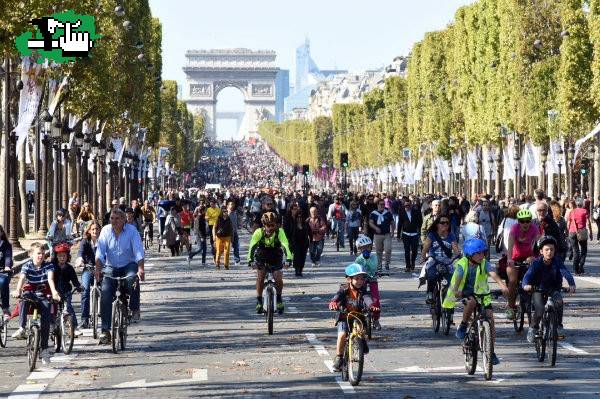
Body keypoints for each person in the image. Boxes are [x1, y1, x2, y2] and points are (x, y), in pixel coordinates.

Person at [442, 238, 508, 366]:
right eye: (478, 253)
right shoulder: (463, 263)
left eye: (483, 252)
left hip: (482, 294)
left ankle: (491, 350)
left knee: (490, 319)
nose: (481, 255)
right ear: (470, 254)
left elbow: (493, 273)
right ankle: (463, 324)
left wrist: (502, 285)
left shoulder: (484, 263)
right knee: (471, 303)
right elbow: (459, 277)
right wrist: (456, 290)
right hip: (465, 292)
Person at [95, 209, 145, 344]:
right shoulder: (105, 231)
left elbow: (138, 251)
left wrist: (140, 268)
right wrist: (98, 269)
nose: (114, 221)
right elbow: (100, 253)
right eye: (112, 218)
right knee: (105, 291)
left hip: (128, 264)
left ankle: (134, 309)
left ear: (124, 220)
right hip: (111, 266)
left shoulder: (132, 231)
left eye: (117, 218)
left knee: (131, 279)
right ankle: (105, 330)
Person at [11, 243, 61, 365]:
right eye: (38, 253)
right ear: (31, 254)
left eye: (43, 253)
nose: (41, 256)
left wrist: (54, 292)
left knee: (45, 321)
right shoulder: (27, 265)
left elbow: (50, 279)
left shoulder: (48, 265)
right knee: (24, 297)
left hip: (44, 295)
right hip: (31, 294)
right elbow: (22, 279)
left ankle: (44, 349)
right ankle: (22, 328)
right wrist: (18, 290)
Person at [523, 236, 576, 342]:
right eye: (546, 249)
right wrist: (526, 285)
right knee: (540, 309)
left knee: (559, 301)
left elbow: (565, 272)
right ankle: (533, 328)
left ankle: (559, 326)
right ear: (541, 251)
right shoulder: (536, 263)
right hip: (538, 289)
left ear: (555, 250)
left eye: (552, 249)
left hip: (553, 288)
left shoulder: (557, 261)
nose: (549, 252)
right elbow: (527, 276)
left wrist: (571, 284)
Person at [328, 263, 378, 372]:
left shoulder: (363, 290)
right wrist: (333, 303)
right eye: (357, 279)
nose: (360, 281)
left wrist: (371, 306)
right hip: (344, 316)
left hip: (358, 315)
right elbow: (336, 297)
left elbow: (367, 298)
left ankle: (361, 342)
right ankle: (339, 358)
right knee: (342, 335)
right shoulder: (344, 289)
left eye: (362, 279)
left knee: (361, 330)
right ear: (349, 279)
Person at [247, 212, 292, 314]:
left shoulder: (280, 231)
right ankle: (259, 301)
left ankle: (279, 299)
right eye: (268, 225)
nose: (271, 228)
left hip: (276, 255)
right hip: (262, 256)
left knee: (278, 277)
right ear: (264, 225)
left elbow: (285, 245)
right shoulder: (258, 232)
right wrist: (250, 260)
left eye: (273, 225)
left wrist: (289, 259)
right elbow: (252, 247)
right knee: (261, 277)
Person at [505, 209, 540, 320]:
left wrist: (535, 257)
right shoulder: (514, 228)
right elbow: (509, 244)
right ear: (518, 221)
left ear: (531, 221)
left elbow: (539, 244)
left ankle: (535, 301)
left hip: (528, 256)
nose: (525, 223)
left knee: (536, 277)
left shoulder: (534, 229)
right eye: (522, 221)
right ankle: (511, 307)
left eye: (527, 221)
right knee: (512, 281)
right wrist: (509, 258)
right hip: (515, 257)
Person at [420, 215, 460, 304]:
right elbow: (425, 249)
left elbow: (456, 250)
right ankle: (430, 293)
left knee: (452, 278)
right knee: (432, 275)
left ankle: (450, 300)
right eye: (442, 223)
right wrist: (423, 257)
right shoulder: (432, 235)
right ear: (437, 224)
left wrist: (456, 256)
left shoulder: (451, 235)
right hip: (434, 260)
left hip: (447, 261)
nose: (445, 224)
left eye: (447, 223)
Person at [52, 243, 83, 335]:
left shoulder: (69, 268)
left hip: (66, 292)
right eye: (60, 256)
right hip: (55, 292)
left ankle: (75, 327)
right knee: (51, 309)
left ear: (68, 256)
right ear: (56, 256)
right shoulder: (52, 267)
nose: (62, 258)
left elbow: (74, 280)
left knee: (68, 308)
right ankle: (51, 325)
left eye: (64, 256)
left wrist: (78, 286)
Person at [75, 220, 101, 329]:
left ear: (100, 230)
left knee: (107, 289)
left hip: (101, 270)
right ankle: (84, 319)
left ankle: (106, 315)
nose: (95, 231)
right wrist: (79, 261)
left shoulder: (104, 241)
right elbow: (80, 253)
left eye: (97, 229)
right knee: (85, 290)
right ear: (89, 230)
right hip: (89, 269)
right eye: (93, 229)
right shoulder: (85, 242)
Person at [354, 235, 381, 330]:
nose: (366, 249)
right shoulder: (358, 259)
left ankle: (376, 319)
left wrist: (367, 259)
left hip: (372, 279)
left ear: (371, 247)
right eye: (363, 248)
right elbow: (356, 269)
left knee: (376, 300)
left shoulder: (373, 257)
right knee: (358, 298)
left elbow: (374, 267)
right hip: (362, 281)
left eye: (368, 247)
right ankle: (358, 318)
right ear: (359, 249)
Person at [369, 199, 395, 275]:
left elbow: (392, 222)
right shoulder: (373, 213)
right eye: (380, 204)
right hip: (377, 235)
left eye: (383, 204)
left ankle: (387, 263)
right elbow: (370, 223)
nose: (382, 206)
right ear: (377, 205)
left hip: (387, 234)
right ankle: (379, 266)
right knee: (378, 252)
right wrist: (376, 228)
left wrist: (393, 231)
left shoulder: (388, 213)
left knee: (388, 249)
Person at [567, 199, 591, 275]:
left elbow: (568, 224)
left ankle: (575, 269)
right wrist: (590, 232)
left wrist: (569, 232)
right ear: (582, 204)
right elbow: (588, 222)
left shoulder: (572, 212)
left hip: (572, 232)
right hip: (581, 232)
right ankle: (581, 265)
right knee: (584, 250)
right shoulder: (584, 211)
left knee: (575, 251)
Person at [397, 197, 422, 272]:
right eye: (405, 206)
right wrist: (398, 235)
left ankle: (413, 262)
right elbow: (399, 224)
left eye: (408, 205)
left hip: (415, 234)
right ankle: (408, 266)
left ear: (411, 205)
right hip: (406, 234)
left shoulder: (416, 211)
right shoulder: (401, 212)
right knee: (407, 251)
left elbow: (420, 222)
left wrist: (420, 233)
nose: (407, 207)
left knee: (414, 251)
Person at [290, 210, 310, 277]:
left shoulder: (306, 225)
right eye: (298, 217)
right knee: (296, 257)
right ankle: (297, 270)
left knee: (302, 257)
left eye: (301, 217)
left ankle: (301, 270)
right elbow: (291, 235)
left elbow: (310, 233)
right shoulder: (293, 225)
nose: (299, 218)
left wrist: (311, 241)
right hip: (296, 243)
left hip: (304, 243)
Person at [0, 225, 13, 320]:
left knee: (3, 282)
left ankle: (5, 308)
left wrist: (7, 266)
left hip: (3, 271)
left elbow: (8, 257)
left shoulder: (6, 245)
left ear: (1, 233)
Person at [227, 201, 241, 265]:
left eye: (233, 204)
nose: (232, 206)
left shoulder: (235, 213)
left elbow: (236, 222)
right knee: (226, 247)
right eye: (231, 204)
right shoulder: (226, 213)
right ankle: (224, 259)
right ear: (228, 205)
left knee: (236, 246)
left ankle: (237, 260)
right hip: (227, 233)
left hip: (234, 232)